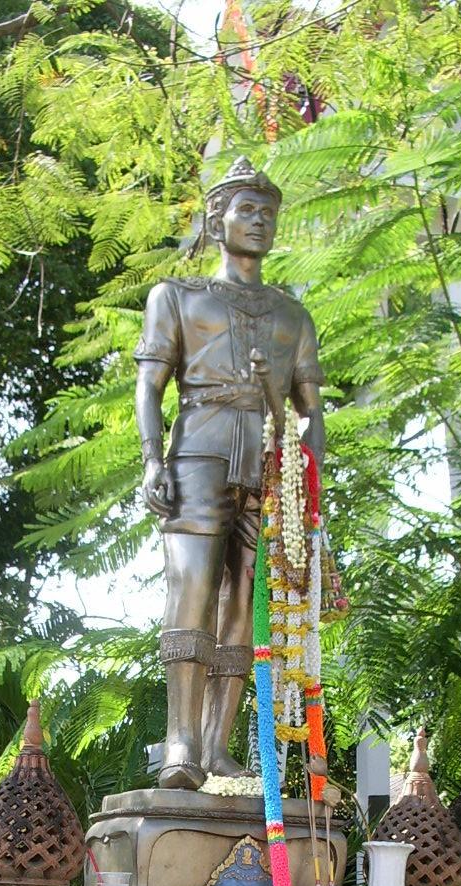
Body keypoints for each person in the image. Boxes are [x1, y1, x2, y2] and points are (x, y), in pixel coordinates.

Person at [134, 155, 325, 790]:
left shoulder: (294, 316)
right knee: (191, 587)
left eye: (268, 212)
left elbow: (312, 412)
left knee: (246, 601)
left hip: (270, 468)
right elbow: (149, 385)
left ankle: (218, 746)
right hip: (199, 451)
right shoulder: (177, 296)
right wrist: (152, 459)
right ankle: (181, 742)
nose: (260, 221)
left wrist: (310, 491)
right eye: (247, 210)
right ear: (217, 220)